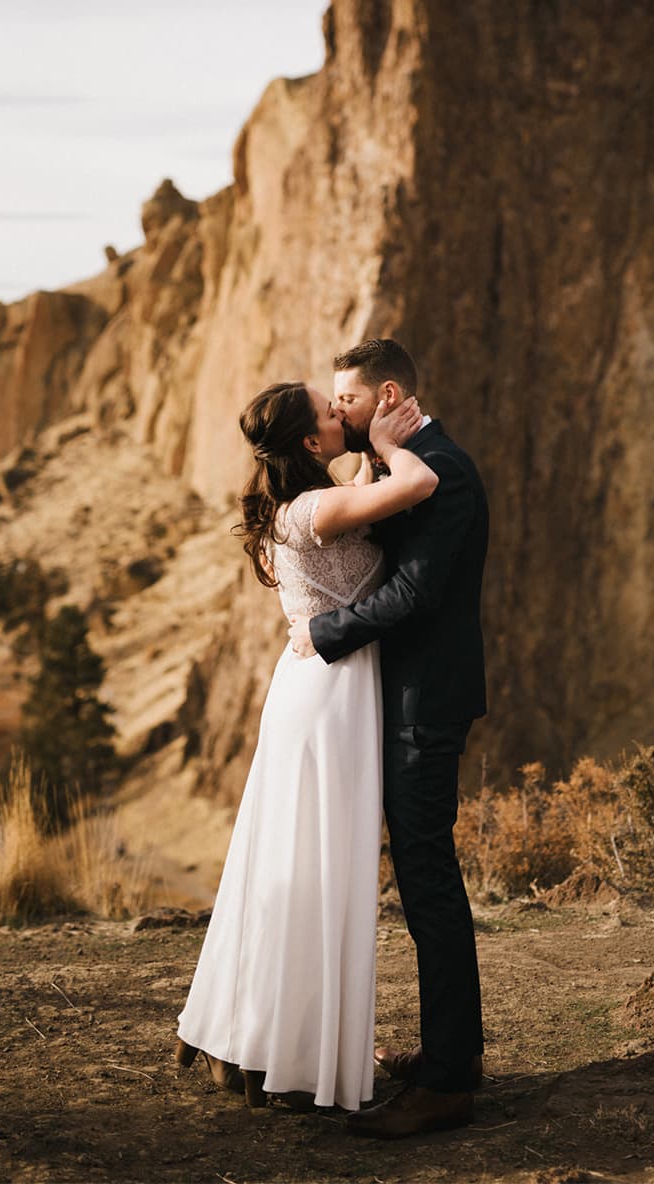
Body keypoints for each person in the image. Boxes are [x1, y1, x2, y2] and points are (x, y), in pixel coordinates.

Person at [173, 377, 435, 1112]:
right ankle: (283, 1050)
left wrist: (366, 448)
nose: (341, 416)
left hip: (319, 688)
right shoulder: (316, 509)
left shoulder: (306, 501)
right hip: (330, 697)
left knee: (294, 866)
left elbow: (355, 493)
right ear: (310, 443)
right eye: (331, 413)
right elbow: (418, 483)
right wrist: (388, 445)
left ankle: (261, 1040)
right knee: (314, 869)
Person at [289, 337, 491, 1138]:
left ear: (387, 394)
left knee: (428, 881)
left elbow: (412, 594)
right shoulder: (400, 461)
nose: (336, 411)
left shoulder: (447, 470)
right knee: (419, 879)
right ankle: (453, 1053)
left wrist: (323, 633)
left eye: (347, 399)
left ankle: (448, 1082)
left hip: (425, 703)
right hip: (397, 697)